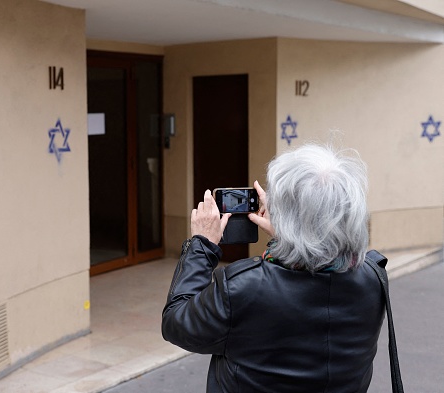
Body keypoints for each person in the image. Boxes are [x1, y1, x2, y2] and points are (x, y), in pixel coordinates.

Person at [161, 144, 385, 392]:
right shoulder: (373, 278)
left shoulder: (243, 288)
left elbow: (177, 324)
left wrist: (201, 246)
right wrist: (290, 234)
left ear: (286, 215)